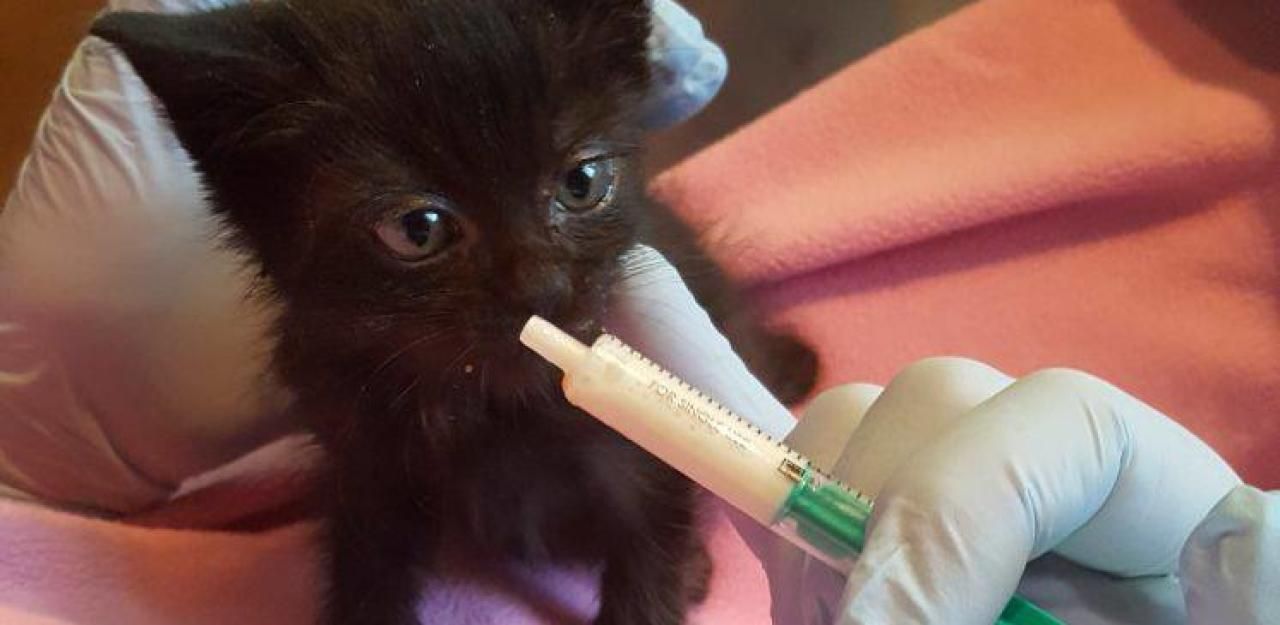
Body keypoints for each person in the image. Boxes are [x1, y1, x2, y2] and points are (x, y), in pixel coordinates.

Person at [0, 1, 1274, 624]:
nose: (538, 281)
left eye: (578, 185)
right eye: (421, 229)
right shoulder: (348, 365)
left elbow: (652, 521)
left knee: (631, 504)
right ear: (256, 202)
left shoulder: (639, 319)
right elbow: (372, 509)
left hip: (644, 488)